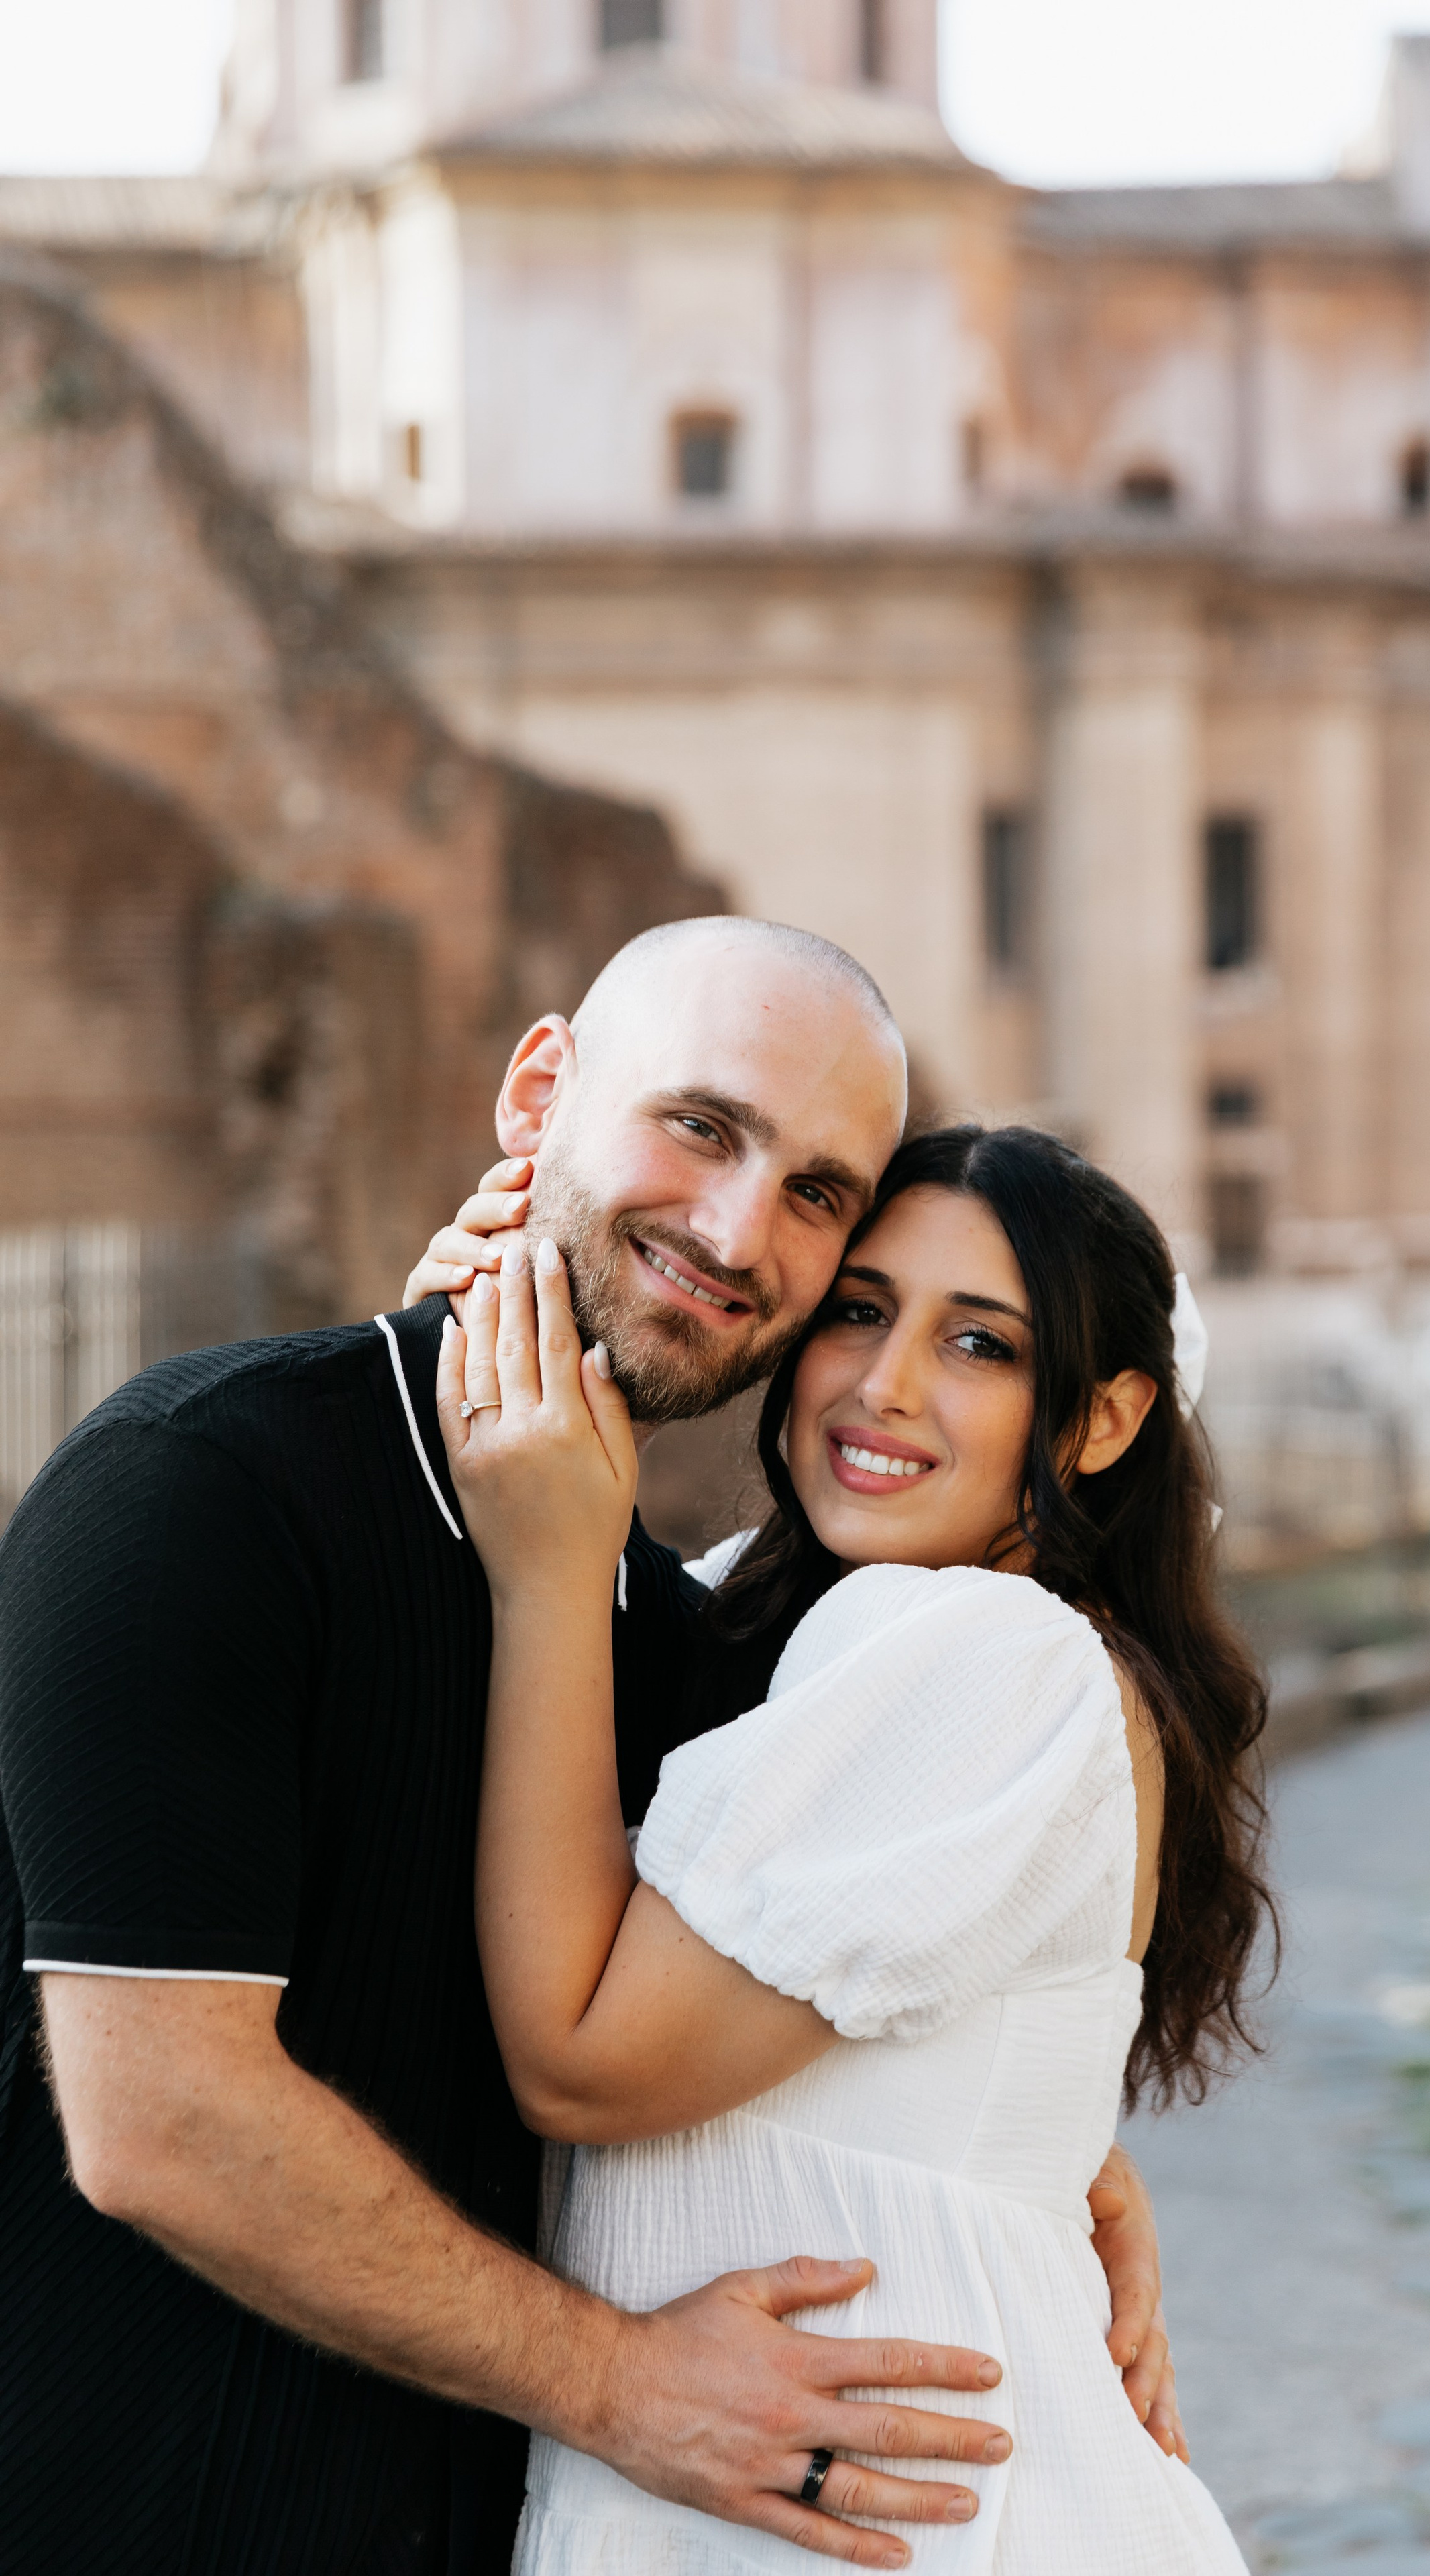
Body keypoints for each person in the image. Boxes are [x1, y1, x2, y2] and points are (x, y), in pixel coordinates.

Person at [0, 919, 1170, 2576]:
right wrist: (623, 2386)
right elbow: (161, 2122)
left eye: (816, 1196)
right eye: (698, 1126)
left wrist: (1055, 2152)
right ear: (538, 1093)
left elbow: (788, 1976)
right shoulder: (195, 1495)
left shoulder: (663, 1630)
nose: (735, 1229)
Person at [436, 1119, 1272, 2571]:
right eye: (860, 1314)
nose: (881, 1388)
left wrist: (553, 1573)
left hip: (889, 2522)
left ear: (1103, 1419)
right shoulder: (813, 1643)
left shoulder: (978, 1649)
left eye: (980, 1347)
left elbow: (584, 2059)